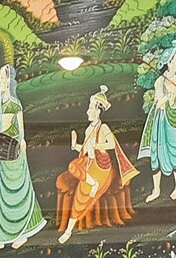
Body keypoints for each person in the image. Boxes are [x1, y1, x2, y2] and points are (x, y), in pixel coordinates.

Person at [0, 68, 44, 249]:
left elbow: (18, 129)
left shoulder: (13, 104)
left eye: (2, 79)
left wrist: (20, 144)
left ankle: (23, 234)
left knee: (16, 194)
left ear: (9, 82)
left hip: (11, 152)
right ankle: (0, 238)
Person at [54, 92, 134, 241]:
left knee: (82, 194)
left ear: (98, 111)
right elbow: (85, 150)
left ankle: (93, 184)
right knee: (74, 173)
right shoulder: (89, 129)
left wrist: (97, 145)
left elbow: (112, 144)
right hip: (90, 163)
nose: (87, 112)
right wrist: (75, 146)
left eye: (90, 108)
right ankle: (68, 231)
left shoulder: (103, 127)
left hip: (101, 166)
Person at [138, 47, 176, 204]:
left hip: (175, 120)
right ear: (169, 63)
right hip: (161, 119)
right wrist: (168, 96)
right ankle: (156, 190)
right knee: (156, 154)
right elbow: (158, 103)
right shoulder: (159, 82)